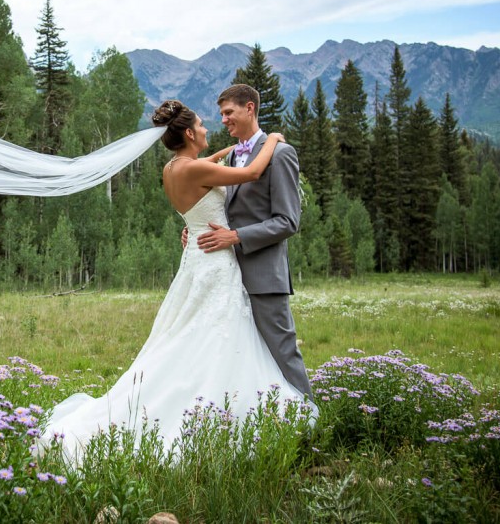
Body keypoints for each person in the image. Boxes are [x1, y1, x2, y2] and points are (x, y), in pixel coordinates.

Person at [40, 99, 307, 463]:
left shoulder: (173, 168)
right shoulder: (194, 169)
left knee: (192, 337)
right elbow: (252, 174)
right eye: (201, 124)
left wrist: (235, 149)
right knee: (214, 340)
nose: (208, 128)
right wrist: (273, 140)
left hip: (198, 260)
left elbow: (203, 185)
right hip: (214, 266)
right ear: (187, 132)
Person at [196, 84, 314, 401]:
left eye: (228, 112)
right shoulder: (233, 155)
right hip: (228, 277)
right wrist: (194, 231)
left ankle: (309, 421)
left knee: (281, 351)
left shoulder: (280, 154)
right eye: (221, 114)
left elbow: (288, 220)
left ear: (249, 108)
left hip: (264, 276)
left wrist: (235, 237)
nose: (223, 120)